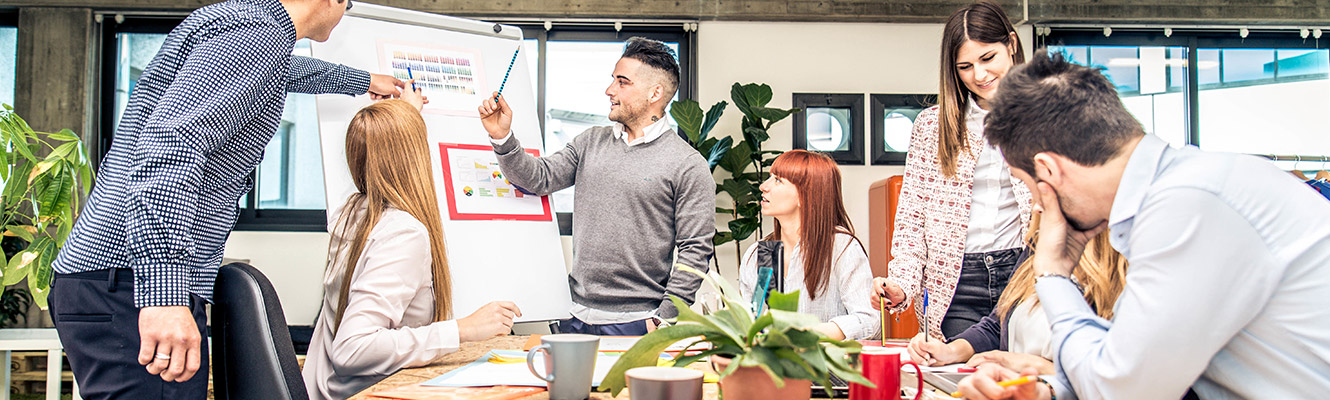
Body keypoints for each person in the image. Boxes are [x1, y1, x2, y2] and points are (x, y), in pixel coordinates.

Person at [48, 0, 406, 397]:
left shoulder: (242, 25)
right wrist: (164, 296)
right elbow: (171, 146)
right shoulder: (256, 34)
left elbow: (281, 72)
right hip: (133, 285)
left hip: (113, 279)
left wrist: (362, 80)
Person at [955, 50, 1330, 400]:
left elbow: (1121, 389)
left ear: (1049, 172)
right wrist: (1043, 389)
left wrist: (1053, 275)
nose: (1036, 206)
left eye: (1027, 185)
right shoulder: (1180, 191)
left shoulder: (1188, 206)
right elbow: (1129, 357)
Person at [476, 37, 714, 335]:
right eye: (612, 80)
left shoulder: (688, 164)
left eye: (622, 82)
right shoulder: (590, 142)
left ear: (655, 93)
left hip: (639, 322)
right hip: (573, 315)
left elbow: (695, 250)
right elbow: (539, 178)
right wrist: (502, 137)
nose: (609, 90)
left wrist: (663, 319)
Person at [302, 91, 521, 399]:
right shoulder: (402, 234)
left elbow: (379, 149)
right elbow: (353, 349)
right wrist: (463, 329)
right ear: (413, 158)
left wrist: (398, 117)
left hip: (326, 390)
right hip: (363, 393)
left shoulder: (350, 212)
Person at [873, 0, 1034, 340]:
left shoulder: (1045, 116)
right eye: (965, 66)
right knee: (959, 382)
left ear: (1012, 44)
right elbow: (912, 216)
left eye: (988, 58)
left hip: (1024, 273)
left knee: (1019, 382)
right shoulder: (932, 126)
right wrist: (901, 283)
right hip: (957, 284)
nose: (979, 75)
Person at [905, 214, 1127, 375]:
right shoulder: (1036, 248)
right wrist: (950, 350)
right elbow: (997, 324)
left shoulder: (1125, 267)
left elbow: (1119, 376)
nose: (1036, 206)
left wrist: (1041, 369)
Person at [737, 150, 879, 341]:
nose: (763, 186)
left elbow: (868, 320)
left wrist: (809, 334)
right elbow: (750, 322)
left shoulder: (841, 247)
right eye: (769, 178)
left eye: (778, 180)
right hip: (773, 368)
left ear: (805, 196)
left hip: (827, 368)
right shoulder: (761, 253)